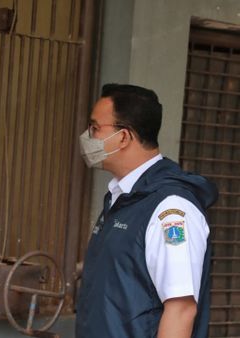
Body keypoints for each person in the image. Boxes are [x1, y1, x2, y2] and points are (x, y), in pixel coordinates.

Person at [76, 84, 218, 338]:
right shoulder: (123, 198)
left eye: (95, 128)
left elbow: (181, 310)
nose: (88, 136)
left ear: (123, 137)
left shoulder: (171, 209)